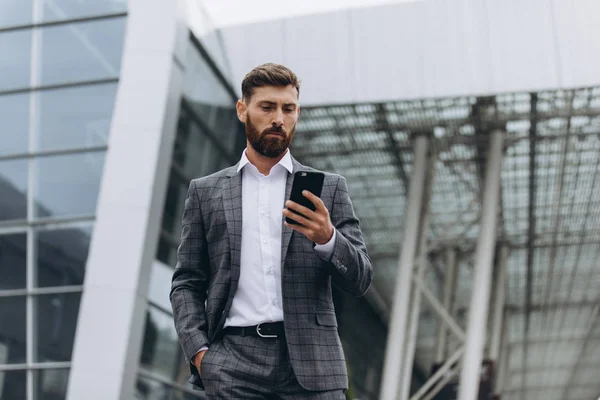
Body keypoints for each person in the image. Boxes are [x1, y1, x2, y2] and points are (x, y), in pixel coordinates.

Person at [170, 63, 373, 399]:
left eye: (288, 108)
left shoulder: (329, 190)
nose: (279, 118)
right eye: (267, 107)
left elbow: (361, 278)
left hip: (313, 365)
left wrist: (328, 239)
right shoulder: (206, 192)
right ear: (242, 109)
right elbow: (187, 282)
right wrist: (200, 354)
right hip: (232, 364)